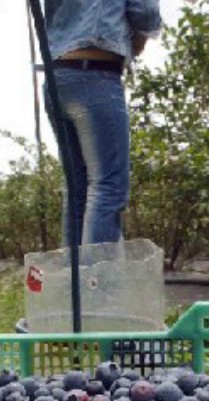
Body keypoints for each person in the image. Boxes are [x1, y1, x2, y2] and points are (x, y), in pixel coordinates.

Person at [43, 0, 162, 248]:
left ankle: (73, 283)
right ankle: (96, 284)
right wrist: (140, 37)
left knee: (77, 191)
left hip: (58, 77)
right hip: (95, 73)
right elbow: (144, 10)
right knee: (108, 188)